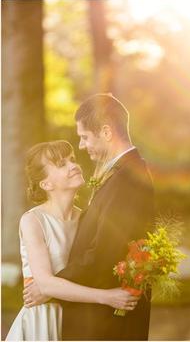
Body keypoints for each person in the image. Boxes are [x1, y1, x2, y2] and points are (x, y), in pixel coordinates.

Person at [23, 94, 155, 340]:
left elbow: (102, 254)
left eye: (84, 137)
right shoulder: (121, 173)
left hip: (109, 320)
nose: (81, 146)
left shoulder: (127, 179)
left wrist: (49, 288)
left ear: (106, 132)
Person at [6, 140, 138, 341]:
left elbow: (89, 266)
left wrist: (49, 290)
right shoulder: (33, 221)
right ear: (46, 184)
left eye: (72, 159)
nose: (73, 165)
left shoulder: (85, 219)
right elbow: (46, 283)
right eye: (62, 164)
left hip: (78, 319)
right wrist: (108, 297)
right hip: (43, 319)